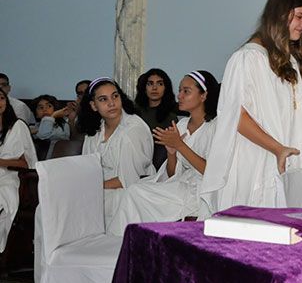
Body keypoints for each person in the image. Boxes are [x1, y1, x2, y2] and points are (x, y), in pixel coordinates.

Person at [200, 0, 302, 216]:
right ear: (280, 15)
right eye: (299, 17)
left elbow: (299, 111)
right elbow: (236, 116)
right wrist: (276, 148)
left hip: (285, 157)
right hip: (256, 158)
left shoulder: (291, 61)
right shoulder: (247, 58)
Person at [107, 71, 219, 236]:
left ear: (203, 95)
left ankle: (122, 240)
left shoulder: (216, 127)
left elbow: (212, 173)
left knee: (136, 193)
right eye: (179, 90)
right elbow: (172, 174)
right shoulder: (181, 125)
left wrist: (179, 145)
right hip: (180, 184)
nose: (179, 96)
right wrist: (171, 152)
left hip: (202, 191)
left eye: (186, 91)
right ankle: (126, 240)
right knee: (135, 189)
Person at [79, 77, 156, 224]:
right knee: (50, 207)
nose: (111, 103)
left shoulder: (133, 129)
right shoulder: (94, 130)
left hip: (128, 191)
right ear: (93, 106)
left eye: (115, 96)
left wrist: (93, 186)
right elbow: (87, 167)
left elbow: (129, 179)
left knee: (81, 206)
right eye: (103, 99)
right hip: (100, 187)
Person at [0, 87, 37, 254]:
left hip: (10, 178)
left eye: (1, 98)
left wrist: (1, 162)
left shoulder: (17, 126)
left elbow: (27, 163)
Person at [134, 68, 179, 169]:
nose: (154, 88)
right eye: (150, 84)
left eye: (160, 84)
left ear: (166, 88)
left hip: (160, 165)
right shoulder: (134, 113)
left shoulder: (171, 117)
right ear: (144, 88)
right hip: (135, 158)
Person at [30, 94, 70, 159]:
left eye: (49, 106)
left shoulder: (63, 125)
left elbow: (43, 134)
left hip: (55, 161)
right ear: (36, 114)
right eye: (41, 107)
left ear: (56, 109)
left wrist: (53, 116)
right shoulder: (36, 126)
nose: (45, 109)